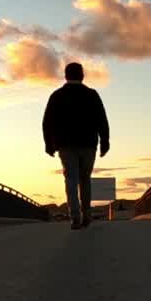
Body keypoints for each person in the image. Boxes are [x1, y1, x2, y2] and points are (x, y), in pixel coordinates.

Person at [42, 62, 110, 230]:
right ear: (82, 75)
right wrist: (105, 142)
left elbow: (47, 122)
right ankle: (87, 214)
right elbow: (102, 119)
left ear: (66, 76)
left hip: (65, 145)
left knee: (70, 180)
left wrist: (49, 144)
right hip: (88, 144)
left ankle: (75, 218)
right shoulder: (92, 94)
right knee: (85, 179)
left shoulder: (57, 96)